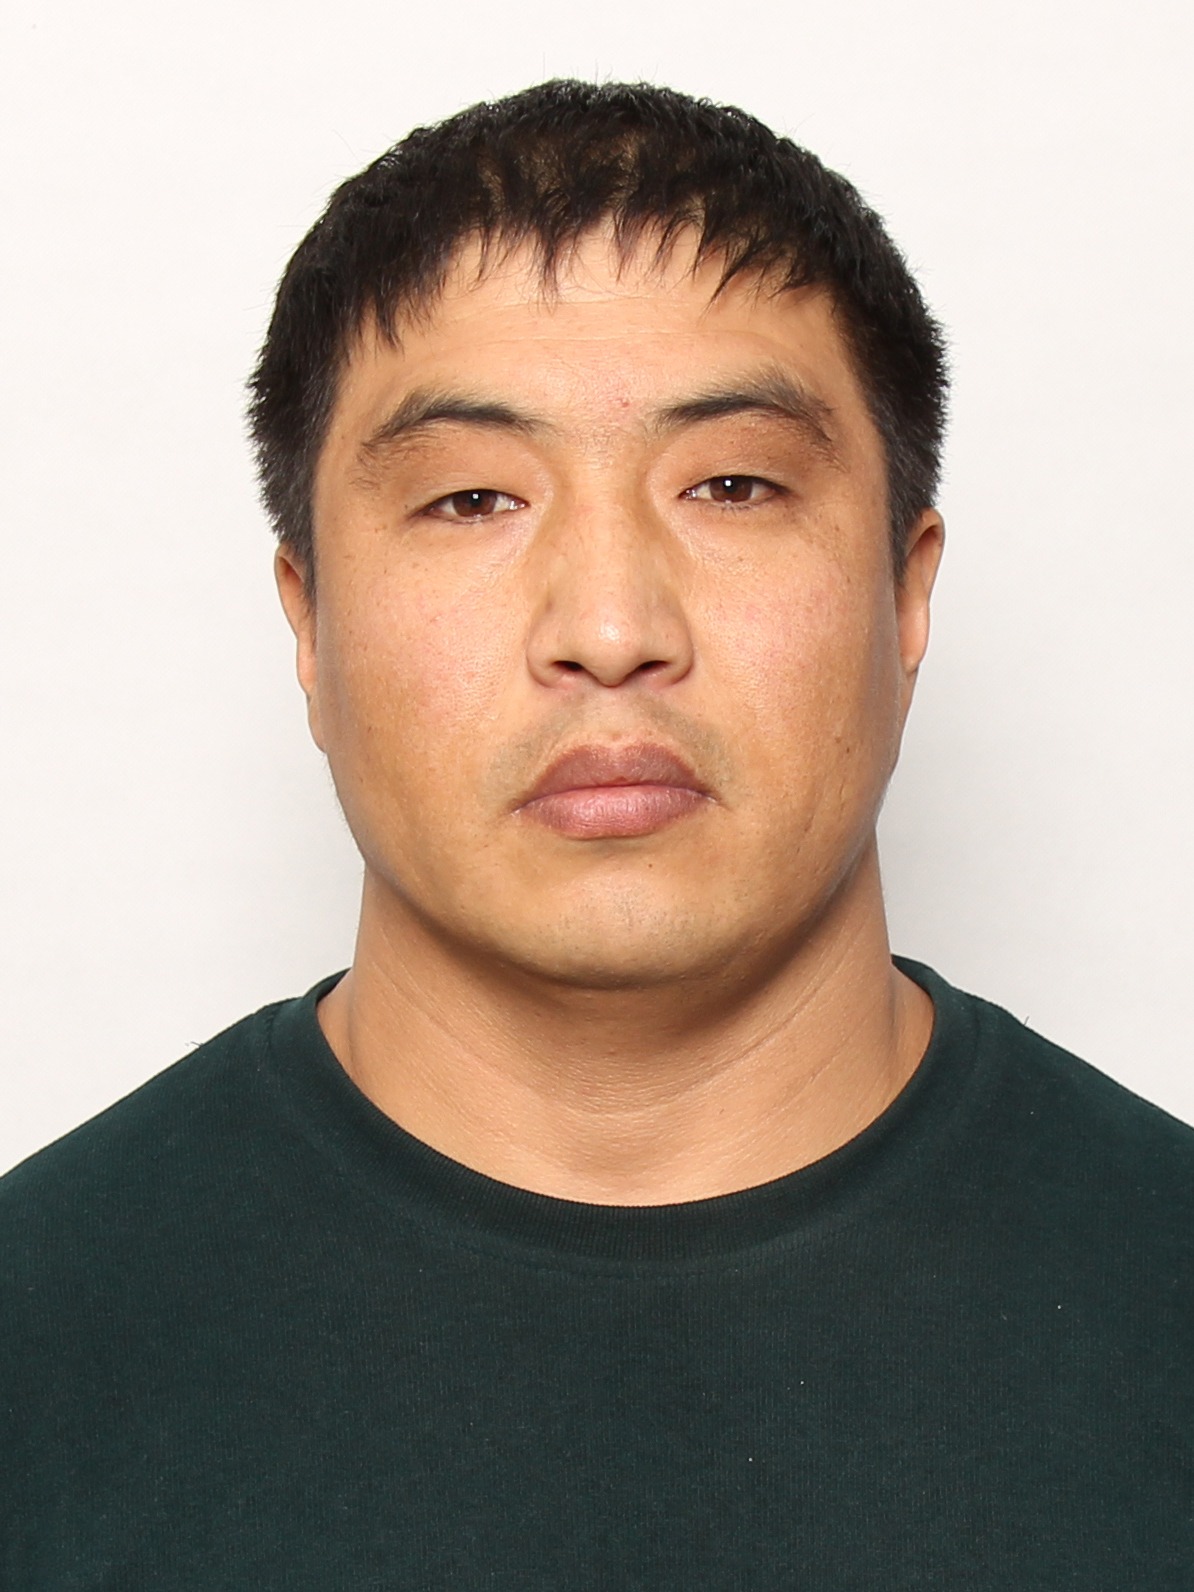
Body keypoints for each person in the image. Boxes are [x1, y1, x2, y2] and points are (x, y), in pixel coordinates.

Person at [2, 79, 1190, 1587]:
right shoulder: (38, 1343)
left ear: (905, 596)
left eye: (732, 485)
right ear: (308, 623)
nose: (612, 628)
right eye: (471, 499)